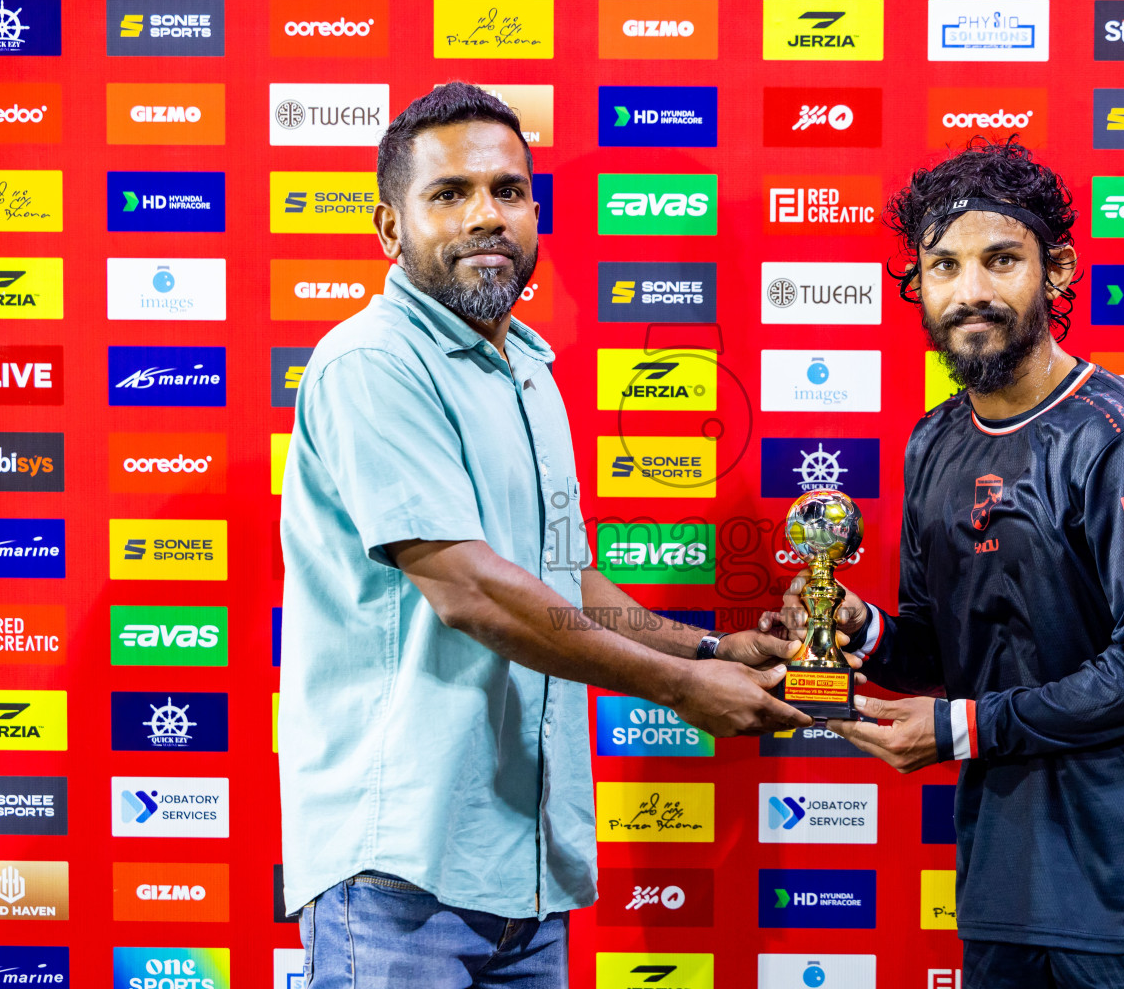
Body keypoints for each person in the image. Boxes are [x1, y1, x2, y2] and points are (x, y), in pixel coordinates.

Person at [277, 82, 810, 989]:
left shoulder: (527, 367)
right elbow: (470, 589)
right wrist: (682, 688)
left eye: (509, 191)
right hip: (399, 870)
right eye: (450, 194)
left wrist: (711, 644)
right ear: (388, 228)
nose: (487, 215)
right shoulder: (372, 362)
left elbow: (567, 582)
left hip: (522, 870)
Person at [766, 138, 1124, 989]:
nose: (970, 291)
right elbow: (944, 652)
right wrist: (856, 629)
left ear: (1056, 273)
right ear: (919, 285)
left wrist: (961, 729)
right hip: (1000, 889)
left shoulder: (1123, 435)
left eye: (1000, 260)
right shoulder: (933, 442)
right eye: (943, 266)